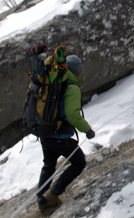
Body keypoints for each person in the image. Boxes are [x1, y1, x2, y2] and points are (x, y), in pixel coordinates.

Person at [36, 55, 95, 213]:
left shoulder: (53, 82)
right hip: (59, 135)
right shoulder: (71, 87)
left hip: (45, 132)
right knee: (78, 162)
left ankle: (42, 199)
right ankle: (53, 193)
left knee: (48, 165)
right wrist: (88, 130)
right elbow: (72, 115)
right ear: (77, 70)